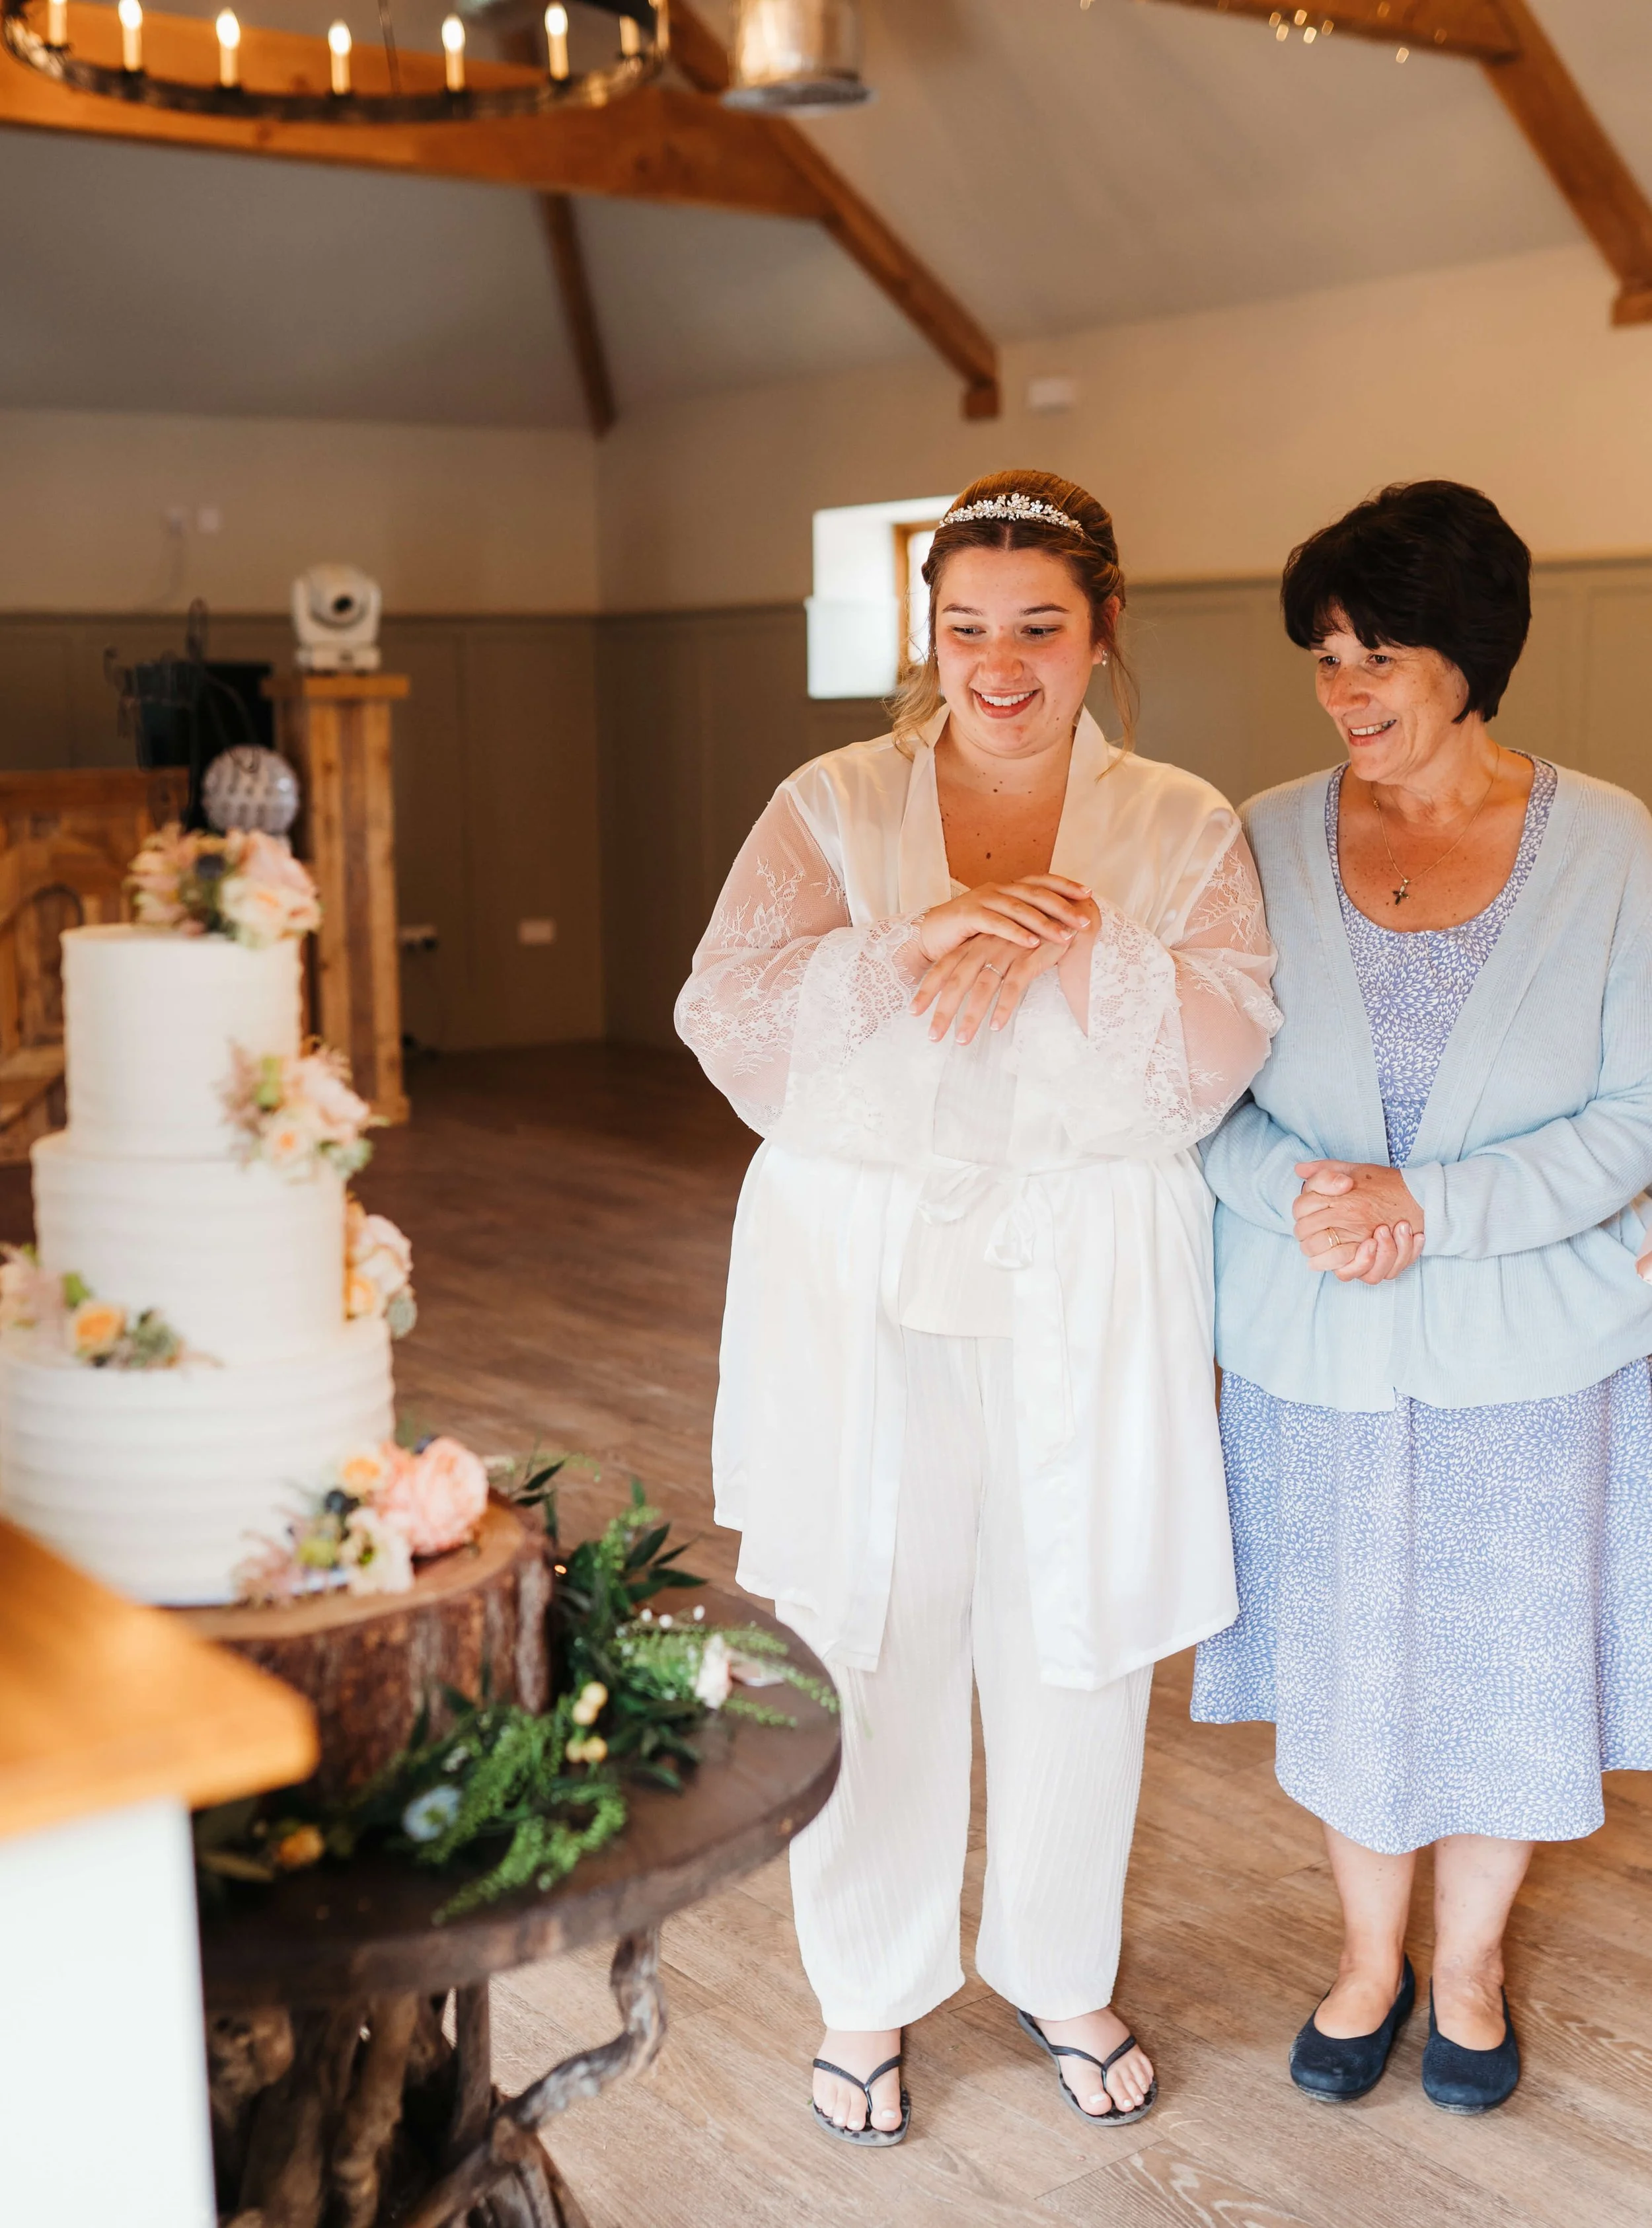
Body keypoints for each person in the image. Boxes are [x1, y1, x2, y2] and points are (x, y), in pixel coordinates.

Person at [676, 470, 1279, 2143]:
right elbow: (724, 1015)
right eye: (963, 629)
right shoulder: (832, 804)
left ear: (1101, 635)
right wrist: (917, 937)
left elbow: (1220, 1051)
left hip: (1087, 1278)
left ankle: (1058, 1964)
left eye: (1036, 627)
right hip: (858, 1282)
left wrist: (1077, 938)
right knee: (869, 1627)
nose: (997, 665)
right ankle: (864, 1993)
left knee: (1072, 1634)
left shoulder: (1177, 823)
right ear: (924, 636)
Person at [1195, 479, 1652, 2116]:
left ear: (1467, 653)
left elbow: (1632, 1118)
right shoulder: (1249, 839)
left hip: (1534, 1347)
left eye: (1375, 654)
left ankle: (1465, 1970)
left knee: (1507, 1663)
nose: (1344, 694)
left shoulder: (1607, 843)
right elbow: (1194, 1095)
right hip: (1307, 1343)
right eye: (1323, 659)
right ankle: (1364, 1958)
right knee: (1341, 1663)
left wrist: (1427, 1209)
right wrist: (1310, 1205)